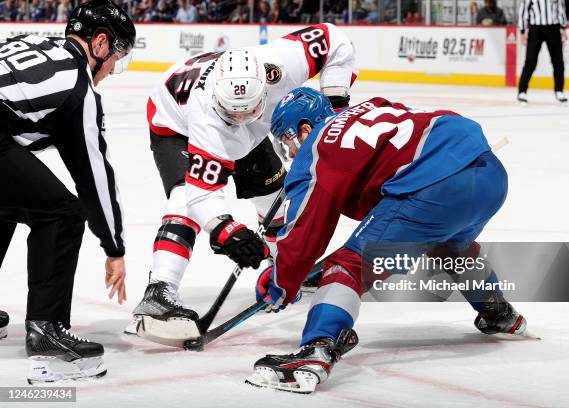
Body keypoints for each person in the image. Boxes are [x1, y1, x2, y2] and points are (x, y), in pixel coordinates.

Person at [247, 87, 527, 394]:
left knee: (348, 266)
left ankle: (318, 348)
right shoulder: (372, 107)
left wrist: (283, 282)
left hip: (435, 189)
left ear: (304, 129)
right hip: (488, 173)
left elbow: (304, 232)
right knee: (449, 246)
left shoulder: (316, 146)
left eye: (286, 141)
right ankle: (497, 311)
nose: (288, 153)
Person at [130, 24, 357, 340]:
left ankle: (287, 267)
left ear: (266, 86)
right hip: (175, 123)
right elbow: (201, 192)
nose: (239, 119)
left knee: (274, 195)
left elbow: (336, 39)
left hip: (253, 124)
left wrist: (335, 103)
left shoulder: (281, 63)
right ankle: (160, 290)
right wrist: (226, 231)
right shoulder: (209, 120)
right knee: (183, 198)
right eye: (232, 114)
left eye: (246, 111)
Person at [0, 0, 135, 383]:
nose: (112, 69)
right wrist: (115, 248)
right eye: (117, 57)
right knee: (63, 214)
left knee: (12, 200)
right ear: (101, 44)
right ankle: (47, 330)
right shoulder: (78, 88)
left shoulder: (31, 41)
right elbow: (94, 179)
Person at [517, 0, 568, 104]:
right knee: (530, 61)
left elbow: (561, 9)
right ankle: (522, 91)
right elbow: (524, 10)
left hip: (553, 28)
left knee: (558, 62)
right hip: (535, 28)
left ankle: (559, 91)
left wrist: (563, 28)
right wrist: (522, 31)